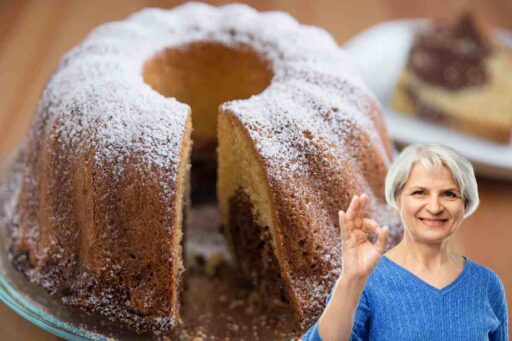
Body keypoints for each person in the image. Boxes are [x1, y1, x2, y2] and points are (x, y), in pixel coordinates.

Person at [302, 143, 509, 341]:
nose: (435, 207)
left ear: (465, 204)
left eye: (449, 194)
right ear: (397, 200)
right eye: (420, 192)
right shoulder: (367, 280)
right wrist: (351, 278)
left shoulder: (487, 284)